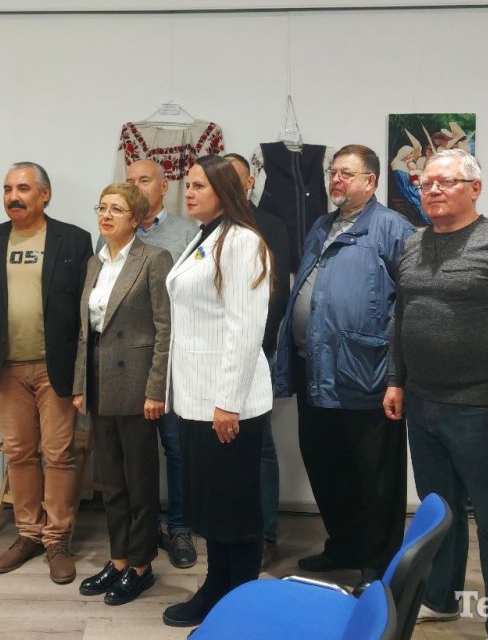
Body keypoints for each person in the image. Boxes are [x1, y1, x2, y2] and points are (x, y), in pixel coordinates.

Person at [384, 148, 488, 640]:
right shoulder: (412, 245)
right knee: (440, 513)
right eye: (426, 182)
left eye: (447, 181)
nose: (433, 189)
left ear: (475, 188)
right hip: (422, 404)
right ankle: (441, 598)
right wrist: (395, 379)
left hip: (481, 408)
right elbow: (401, 317)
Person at [275, 144, 415, 583]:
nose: (335, 180)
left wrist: (398, 376)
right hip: (315, 369)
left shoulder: (392, 227)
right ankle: (343, 546)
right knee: (326, 465)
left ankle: (378, 564)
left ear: (370, 181)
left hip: (366, 373)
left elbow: (408, 305)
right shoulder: (322, 225)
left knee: (374, 475)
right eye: (333, 172)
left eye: (346, 173)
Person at [0, 162, 92, 585]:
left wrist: (83, 373)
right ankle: (28, 534)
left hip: (55, 367)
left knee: (58, 454)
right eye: (7, 189)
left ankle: (57, 540)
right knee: (19, 453)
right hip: (7, 369)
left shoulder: (74, 239)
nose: (12, 197)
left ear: (44, 194)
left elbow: (85, 312)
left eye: (22, 188)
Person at [161, 155, 274, 628]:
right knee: (212, 506)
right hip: (197, 398)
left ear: (225, 192)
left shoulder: (243, 241)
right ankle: (217, 585)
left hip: (228, 403)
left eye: (199, 186)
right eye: (187, 185)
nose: (188, 193)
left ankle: (239, 599)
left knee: (234, 509)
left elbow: (245, 330)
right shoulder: (205, 236)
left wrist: (228, 402)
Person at [71, 182, 173, 605]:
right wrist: (80, 385)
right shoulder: (94, 262)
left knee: (139, 481)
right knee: (111, 481)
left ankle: (141, 565)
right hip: (99, 384)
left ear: (136, 219)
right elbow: (86, 332)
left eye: (116, 209)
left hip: (136, 386)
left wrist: (156, 388)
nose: (106, 215)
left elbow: (166, 328)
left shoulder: (154, 258)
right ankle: (118, 560)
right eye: (102, 207)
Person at [123, 158, 199, 568]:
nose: (135, 186)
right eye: (129, 180)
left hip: (173, 358)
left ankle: (181, 528)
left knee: (177, 447)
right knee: (136, 452)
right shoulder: (116, 231)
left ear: (164, 185)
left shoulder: (189, 233)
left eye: (144, 180)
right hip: (128, 362)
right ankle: (145, 528)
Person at [225, 152, 290, 570]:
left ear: (250, 183)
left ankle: (266, 536)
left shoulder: (270, 226)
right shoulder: (209, 227)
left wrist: (257, 347)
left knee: (259, 444)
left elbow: (276, 293)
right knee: (223, 444)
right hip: (215, 356)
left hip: (256, 350)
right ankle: (230, 529)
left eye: (234, 178)